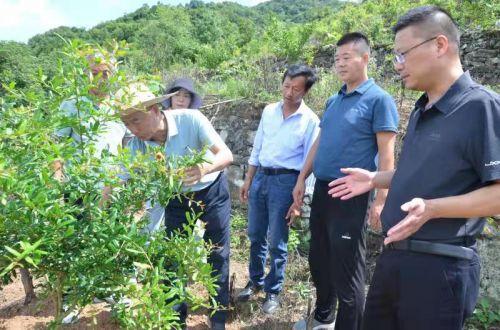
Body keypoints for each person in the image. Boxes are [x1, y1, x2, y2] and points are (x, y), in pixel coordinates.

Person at [328, 6, 500, 330]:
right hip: (395, 259)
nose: (398, 66)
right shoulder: (422, 109)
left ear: (439, 45)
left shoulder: (482, 106)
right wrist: (375, 179)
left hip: (440, 267)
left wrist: (433, 209)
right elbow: (425, 173)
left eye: (402, 55)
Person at [292, 33, 399, 330]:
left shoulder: (379, 100)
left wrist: (380, 200)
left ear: (365, 58)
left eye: (346, 57)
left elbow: (386, 153)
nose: (339, 63)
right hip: (324, 189)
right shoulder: (334, 99)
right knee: (319, 259)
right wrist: (303, 178)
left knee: (347, 269)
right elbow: (320, 142)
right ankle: (324, 317)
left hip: (352, 193)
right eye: (336, 58)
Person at [116, 82, 233, 330]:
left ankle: (218, 317)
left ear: (156, 110)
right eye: (127, 124)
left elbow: (226, 155)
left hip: (211, 192)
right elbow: (117, 178)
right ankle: (175, 320)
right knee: (172, 258)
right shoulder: (136, 145)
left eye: (136, 120)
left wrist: (204, 167)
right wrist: (99, 208)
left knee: (218, 254)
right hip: (176, 199)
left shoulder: (191, 119)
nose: (132, 129)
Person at [237, 64, 320, 314]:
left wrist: (300, 199)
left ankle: (273, 291)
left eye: (296, 89)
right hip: (261, 176)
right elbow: (258, 147)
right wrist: (248, 179)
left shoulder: (310, 121)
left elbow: (310, 162)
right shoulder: (269, 111)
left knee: (277, 241)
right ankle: (255, 281)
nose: (289, 92)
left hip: (286, 183)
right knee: (255, 234)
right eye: (286, 86)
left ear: (305, 91)